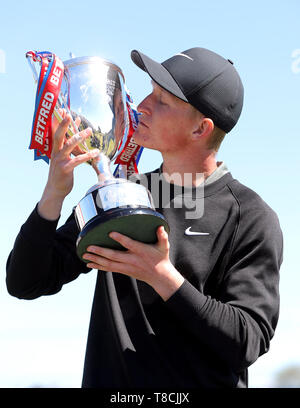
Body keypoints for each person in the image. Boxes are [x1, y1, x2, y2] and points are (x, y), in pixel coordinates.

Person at [6, 47, 283, 388]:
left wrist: (161, 275)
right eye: (149, 93)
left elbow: (248, 340)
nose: (141, 108)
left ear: (201, 129)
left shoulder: (252, 216)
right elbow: (25, 282)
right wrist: (54, 193)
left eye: (162, 101)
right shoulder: (121, 194)